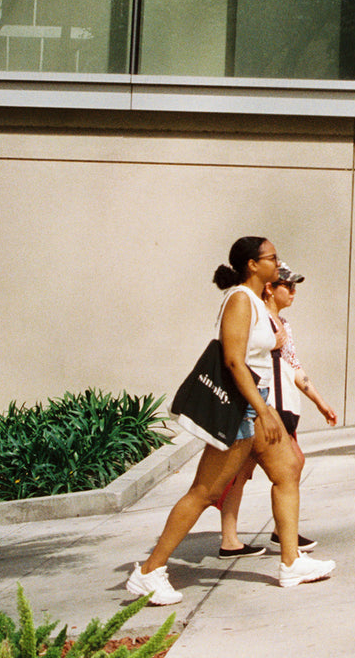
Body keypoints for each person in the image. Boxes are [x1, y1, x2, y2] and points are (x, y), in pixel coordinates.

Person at [125, 238, 335, 604]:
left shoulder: (255, 300)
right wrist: (264, 410)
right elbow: (234, 361)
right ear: (253, 265)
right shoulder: (239, 299)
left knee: (288, 470)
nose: (278, 262)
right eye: (273, 258)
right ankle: (149, 571)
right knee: (205, 492)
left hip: (257, 405)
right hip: (243, 409)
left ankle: (290, 563)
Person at [216, 262, 338, 558]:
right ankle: (246, 540)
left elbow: (293, 367)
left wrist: (319, 401)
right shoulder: (256, 318)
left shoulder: (283, 325)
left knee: (275, 469)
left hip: (280, 409)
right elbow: (237, 359)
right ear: (271, 288)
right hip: (262, 408)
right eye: (289, 286)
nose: (294, 293)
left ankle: (274, 534)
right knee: (253, 472)